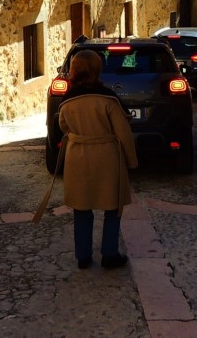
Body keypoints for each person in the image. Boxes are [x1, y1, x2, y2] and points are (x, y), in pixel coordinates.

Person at [57, 49, 138, 269]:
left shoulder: (67, 102)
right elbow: (123, 133)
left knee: (81, 208)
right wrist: (132, 161)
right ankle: (109, 254)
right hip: (107, 158)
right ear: (97, 70)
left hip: (77, 157)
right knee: (113, 207)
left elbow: (63, 127)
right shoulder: (108, 99)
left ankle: (83, 256)